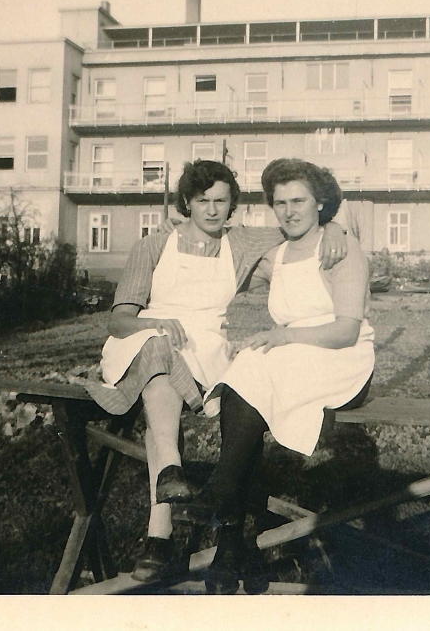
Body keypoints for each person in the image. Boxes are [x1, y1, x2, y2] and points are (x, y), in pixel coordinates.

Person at [85, 159, 349, 582]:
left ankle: (162, 528)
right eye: (202, 200)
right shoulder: (153, 246)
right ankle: (170, 478)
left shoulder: (240, 244)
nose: (211, 210)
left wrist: (334, 226)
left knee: (178, 393)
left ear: (232, 207)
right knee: (156, 351)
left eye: (221, 201)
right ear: (186, 203)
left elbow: (300, 225)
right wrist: (152, 323)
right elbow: (118, 321)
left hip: (204, 347)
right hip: (141, 340)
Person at [198, 158, 375, 594]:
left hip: (341, 358)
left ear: (320, 204)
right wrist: (178, 232)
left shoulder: (340, 248)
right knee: (250, 366)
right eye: (280, 203)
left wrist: (286, 335)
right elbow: (219, 256)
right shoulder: (276, 255)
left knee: (259, 367)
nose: (289, 211)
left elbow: (346, 329)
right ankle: (233, 545)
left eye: (299, 201)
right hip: (291, 357)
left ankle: (222, 507)